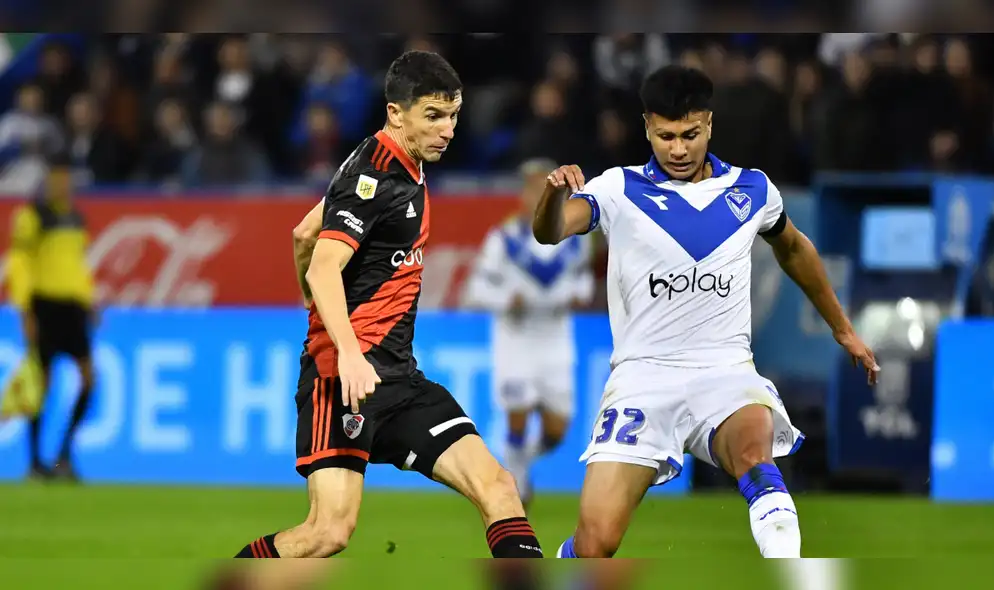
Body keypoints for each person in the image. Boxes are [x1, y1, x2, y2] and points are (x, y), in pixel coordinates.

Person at [532, 65, 880, 559]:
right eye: (666, 136)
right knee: (596, 545)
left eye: (690, 134)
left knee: (757, 459)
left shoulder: (753, 191)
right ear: (647, 127)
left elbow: (795, 249)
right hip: (642, 379)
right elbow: (550, 231)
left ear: (709, 124)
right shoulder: (619, 189)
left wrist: (843, 330)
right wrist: (552, 195)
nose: (678, 149)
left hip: (724, 372)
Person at [234, 51, 543, 559]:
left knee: (500, 487)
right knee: (327, 533)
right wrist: (346, 350)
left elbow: (304, 234)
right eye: (434, 116)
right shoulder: (374, 180)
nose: (447, 130)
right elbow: (322, 264)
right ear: (397, 114)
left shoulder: (400, 164)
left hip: (398, 380)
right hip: (343, 380)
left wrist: (316, 310)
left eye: (453, 116)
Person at [463, 157, 595, 507]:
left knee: (557, 430)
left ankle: (519, 462)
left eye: (544, 185)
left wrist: (574, 296)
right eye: (531, 185)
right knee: (517, 411)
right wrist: (509, 299)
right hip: (516, 337)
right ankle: (516, 485)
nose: (536, 192)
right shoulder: (503, 239)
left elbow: (583, 285)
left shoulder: (575, 240)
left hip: (555, 338)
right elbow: (477, 291)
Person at [5, 151, 97, 482]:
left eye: (66, 180)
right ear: (46, 182)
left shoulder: (76, 218)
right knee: (41, 384)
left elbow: (78, 265)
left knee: (89, 379)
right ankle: (34, 463)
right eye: (56, 179)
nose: (62, 185)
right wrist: (25, 308)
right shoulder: (31, 217)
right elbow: (20, 263)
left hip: (72, 308)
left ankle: (63, 455)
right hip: (43, 306)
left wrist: (89, 301)